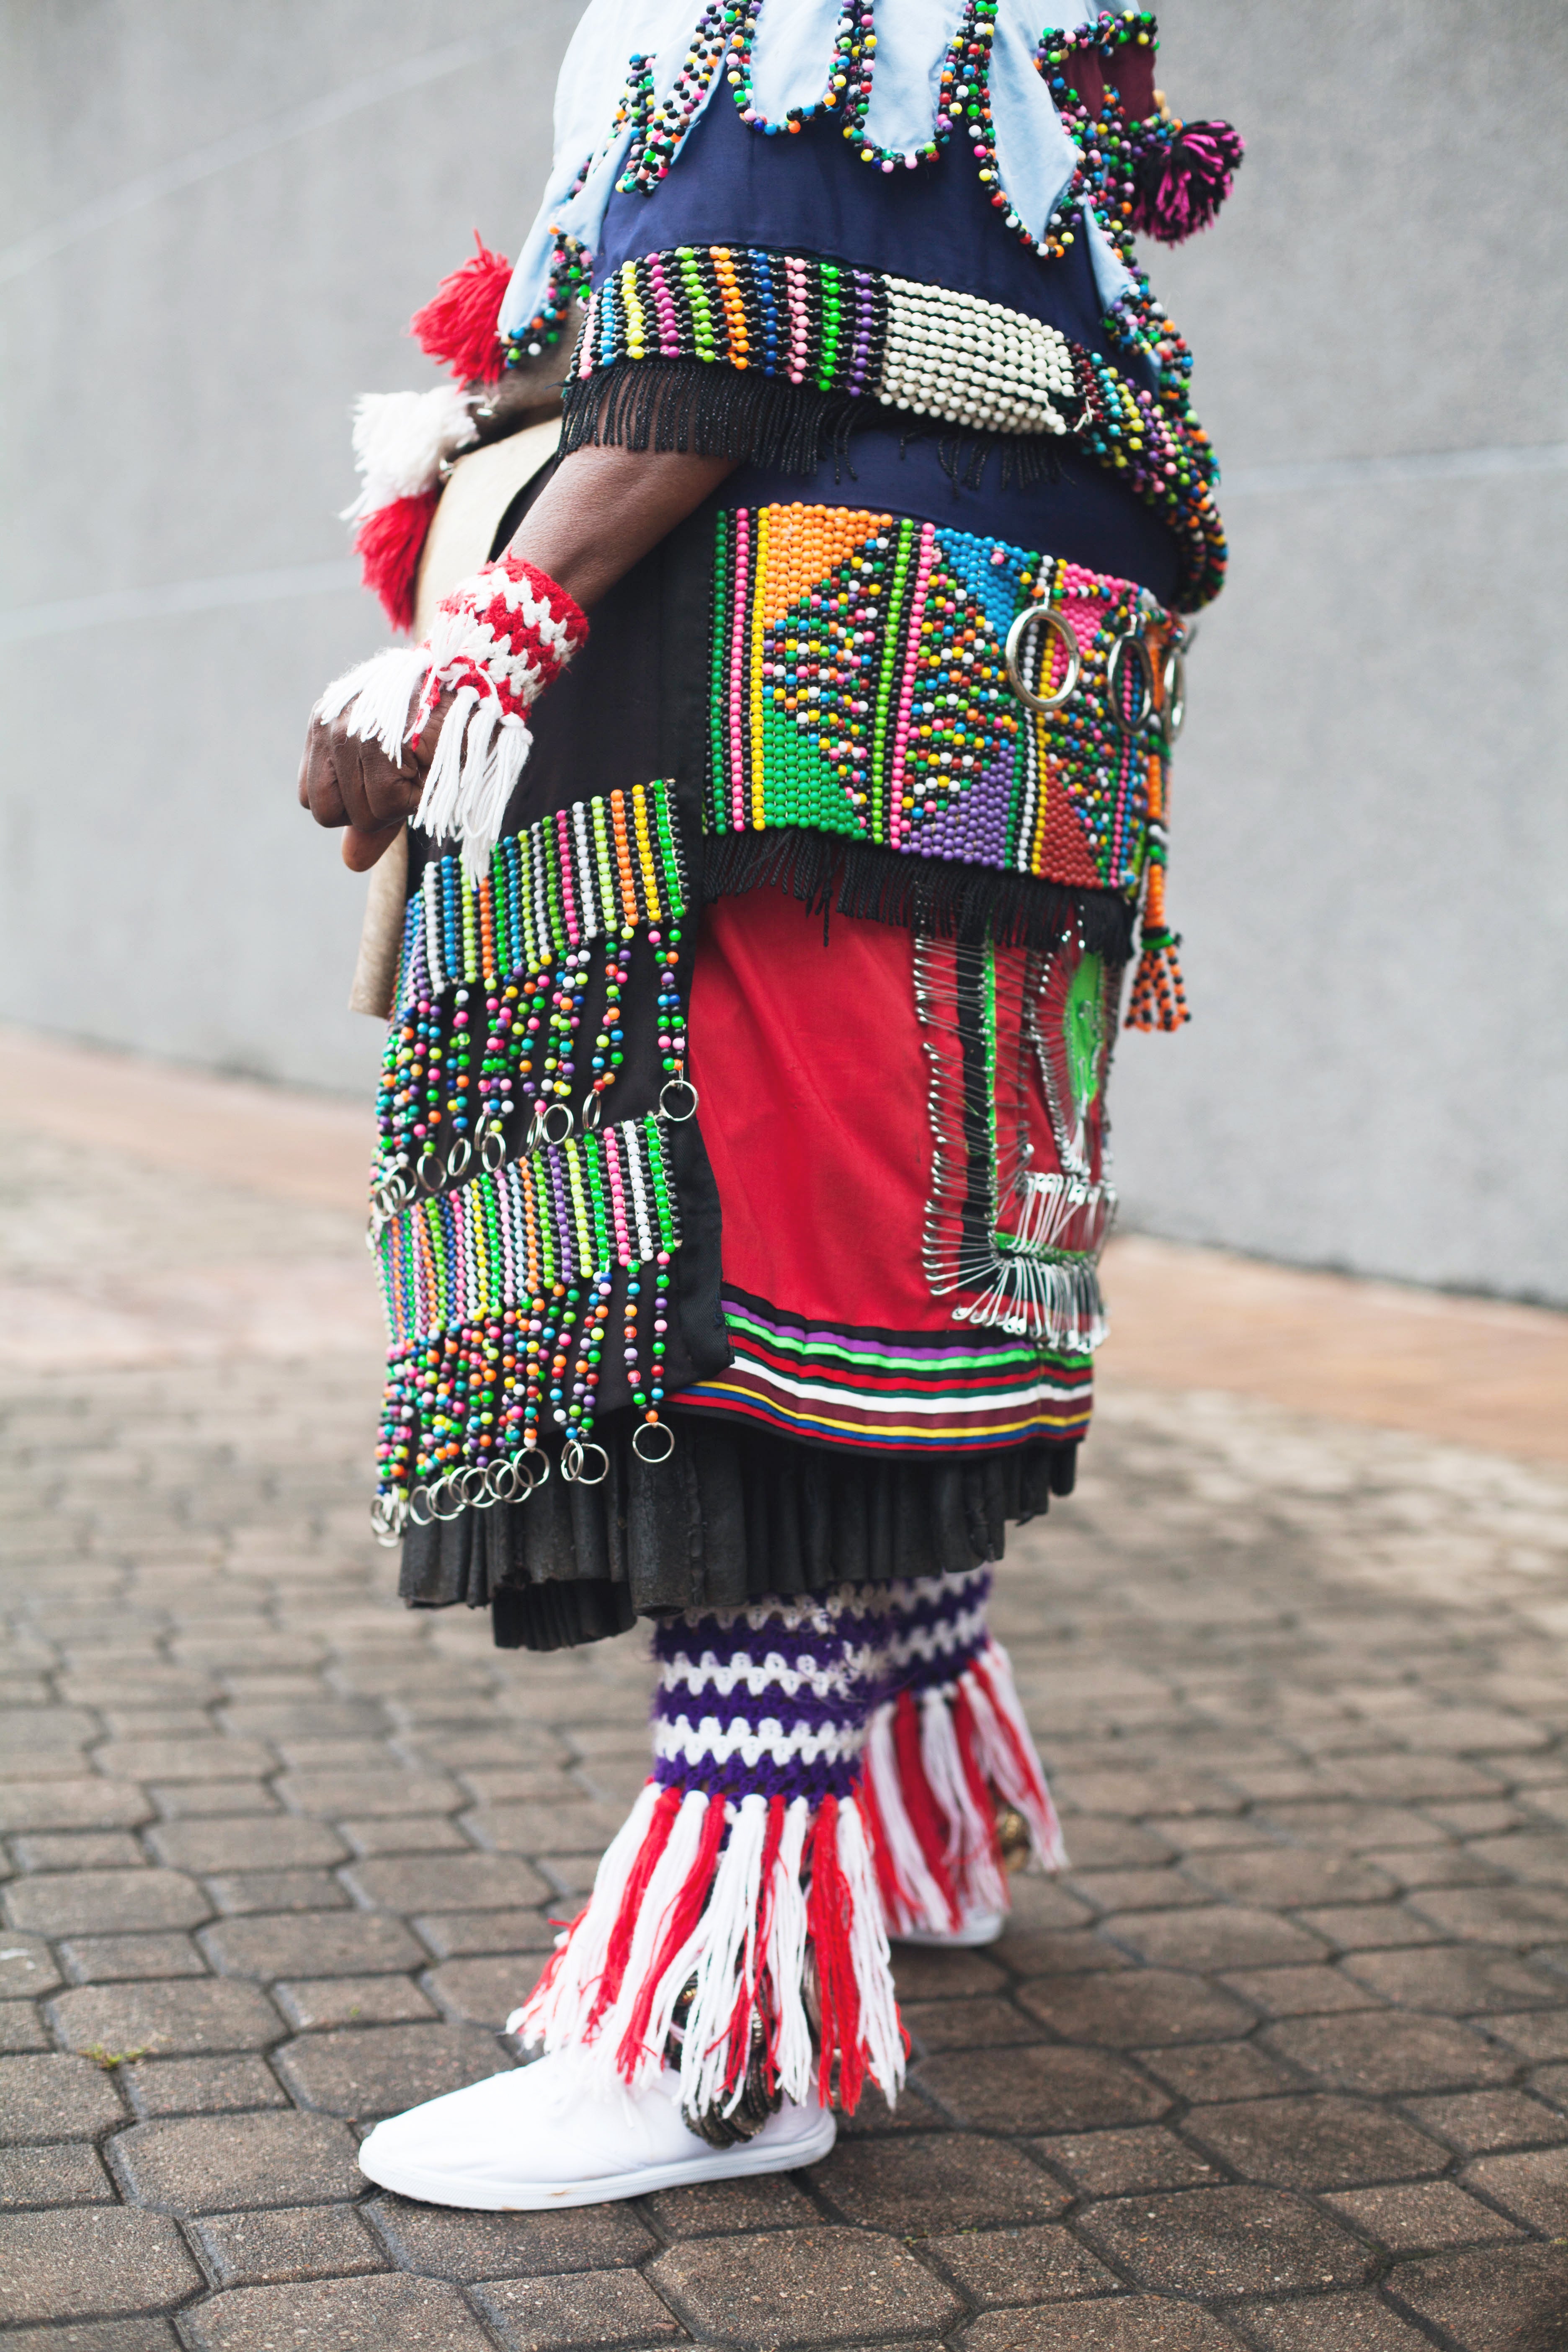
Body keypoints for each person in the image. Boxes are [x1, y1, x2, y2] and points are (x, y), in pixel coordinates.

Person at [297, 0, 1239, 2209]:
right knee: (913, 1294)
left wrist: (487, 638)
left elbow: (725, 327)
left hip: (801, 740)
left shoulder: (797, 29)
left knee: (761, 1323)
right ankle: (914, 1829)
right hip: (1002, 738)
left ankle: (724, 2044)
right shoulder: (994, 76)